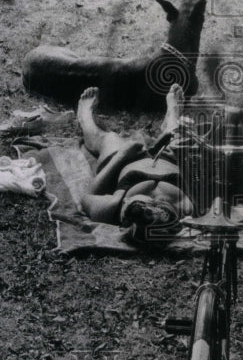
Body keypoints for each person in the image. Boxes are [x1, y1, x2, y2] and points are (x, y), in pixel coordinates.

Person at [76, 83, 195, 246]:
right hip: (170, 159)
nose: (154, 201)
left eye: (145, 203)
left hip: (127, 161)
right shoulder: (186, 209)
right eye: (159, 206)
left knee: (108, 138)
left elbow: (86, 197)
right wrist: (186, 160)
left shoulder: (112, 208)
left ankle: (84, 117)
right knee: (177, 135)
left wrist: (120, 156)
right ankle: (172, 117)